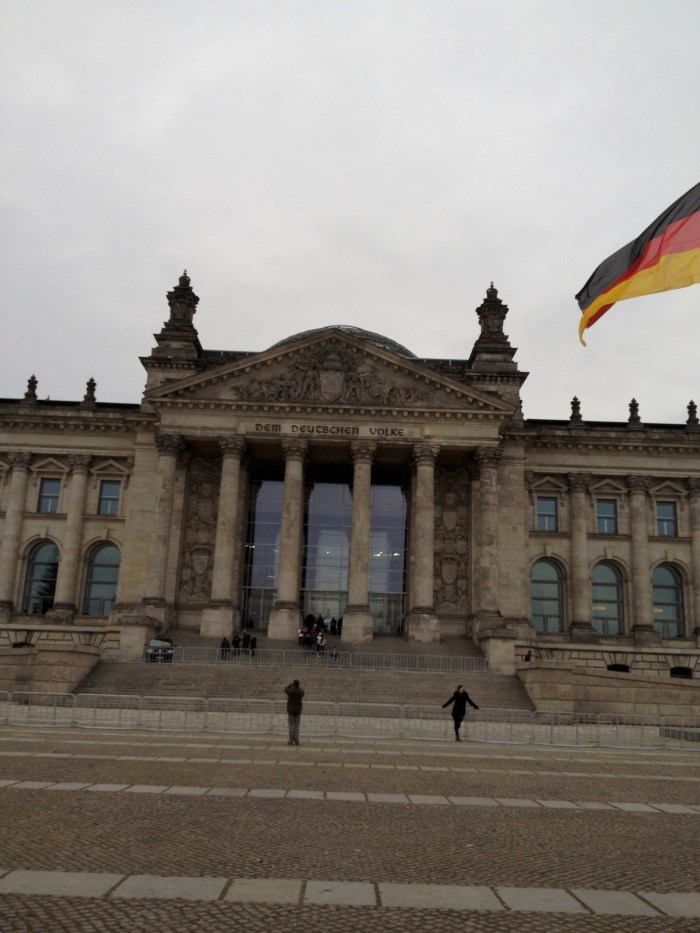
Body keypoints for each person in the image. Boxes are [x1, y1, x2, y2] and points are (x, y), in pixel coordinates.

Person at [284, 678, 305, 746]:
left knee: (291, 725)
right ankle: (296, 740)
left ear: (293, 684)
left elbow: (285, 689)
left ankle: (290, 740)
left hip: (291, 710)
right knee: (297, 726)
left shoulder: (290, 691)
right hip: (298, 710)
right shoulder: (301, 691)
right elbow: (302, 692)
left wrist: (290, 685)